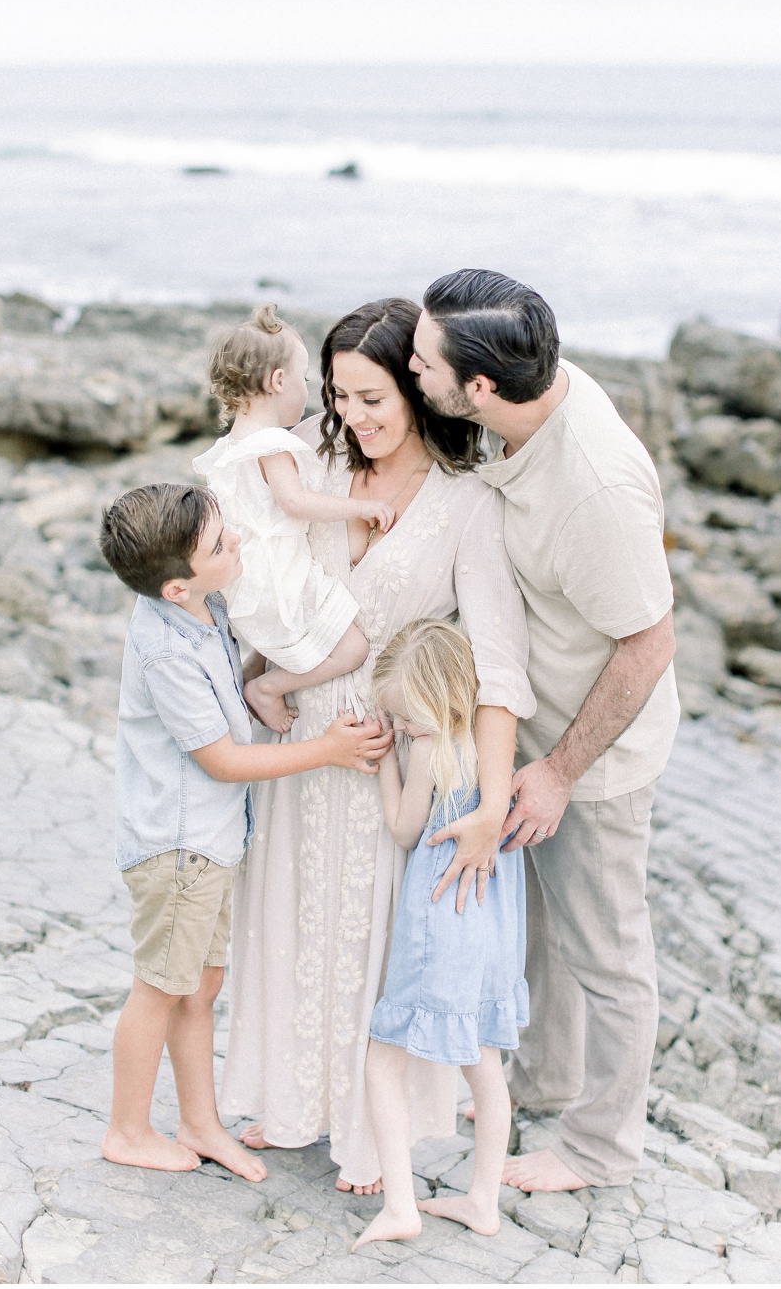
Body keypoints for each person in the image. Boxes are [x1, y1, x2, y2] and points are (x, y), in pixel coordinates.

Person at [219, 297, 536, 1194]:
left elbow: (499, 667)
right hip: (300, 734)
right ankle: (291, 1099)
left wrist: (485, 799)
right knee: (285, 908)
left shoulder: (467, 505)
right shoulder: (306, 466)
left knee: (372, 932)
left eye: (370, 398)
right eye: (337, 396)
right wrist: (254, 676)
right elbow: (266, 587)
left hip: (398, 746)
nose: (351, 418)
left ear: (417, 388)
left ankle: (371, 1131)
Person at [410, 269, 679, 1195]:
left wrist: (561, 770)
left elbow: (649, 643)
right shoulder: (520, 399)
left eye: (421, 362)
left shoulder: (593, 486)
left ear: (481, 388)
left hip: (594, 751)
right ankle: (544, 1087)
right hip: (537, 727)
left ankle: (602, 1150)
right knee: (547, 939)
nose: (412, 368)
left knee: (607, 953)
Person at [96, 482, 392, 1179]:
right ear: (175, 585)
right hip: (178, 848)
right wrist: (330, 749)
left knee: (200, 985)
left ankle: (199, 1123)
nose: (240, 545)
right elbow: (224, 760)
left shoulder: (202, 609)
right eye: (220, 547)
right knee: (160, 987)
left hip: (210, 841)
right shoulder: (167, 650)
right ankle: (126, 1128)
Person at [354, 619, 527, 1250]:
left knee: (383, 1057)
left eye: (405, 717)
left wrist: (382, 762)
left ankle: (400, 1205)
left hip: (442, 923)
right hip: (495, 931)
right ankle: (484, 1198)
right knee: (483, 1061)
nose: (400, 728)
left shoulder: (433, 751)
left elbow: (404, 828)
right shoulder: (496, 750)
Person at [194, 304, 394, 734]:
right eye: (304, 380)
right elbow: (296, 503)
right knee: (353, 648)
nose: (310, 394)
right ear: (278, 381)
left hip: (248, 579)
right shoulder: (271, 443)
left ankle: (251, 675)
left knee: (294, 639)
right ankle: (267, 689)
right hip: (277, 578)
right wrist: (360, 508)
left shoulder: (233, 444)